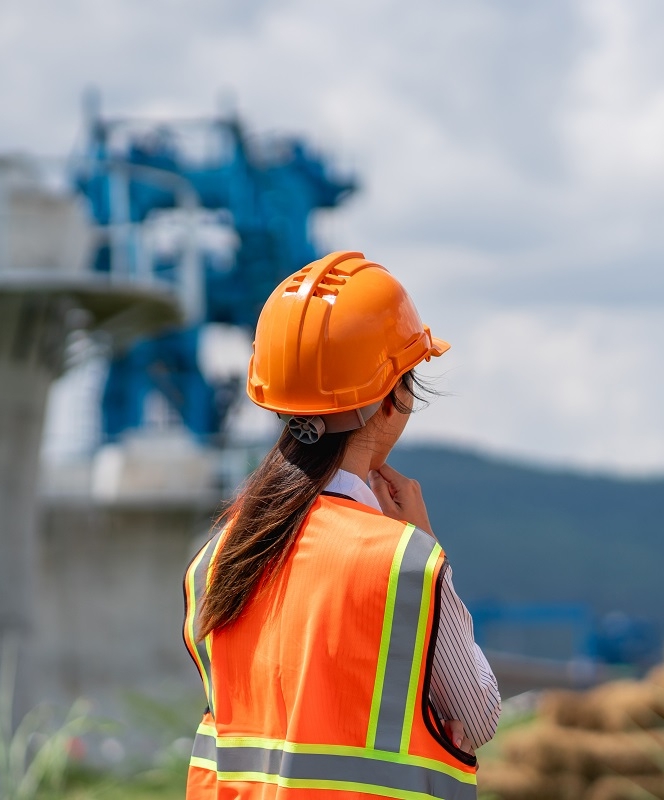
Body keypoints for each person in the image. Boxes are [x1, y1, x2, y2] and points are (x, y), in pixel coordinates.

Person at [182, 251, 499, 799]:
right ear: (393, 399)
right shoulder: (404, 564)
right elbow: (477, 718)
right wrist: (422, 542)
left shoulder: (216, 558)